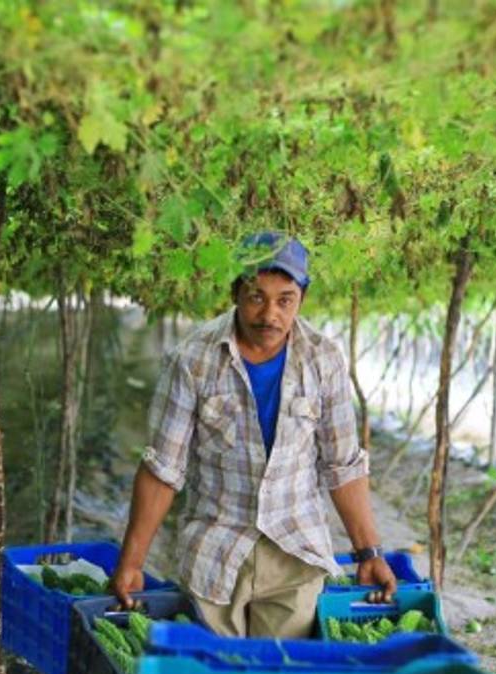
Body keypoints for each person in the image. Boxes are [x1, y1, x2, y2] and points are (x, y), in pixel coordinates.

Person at [109, 231, 396, 637]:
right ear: (234, 292)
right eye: (255, 296)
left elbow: (342, 464)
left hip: (295, 553)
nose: (269, 315)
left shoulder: (323, 360)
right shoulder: (193, 359)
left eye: (285, 300)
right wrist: (132, 562)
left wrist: (369, 552)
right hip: (215, 552)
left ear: (302, 298)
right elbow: (163, 469)